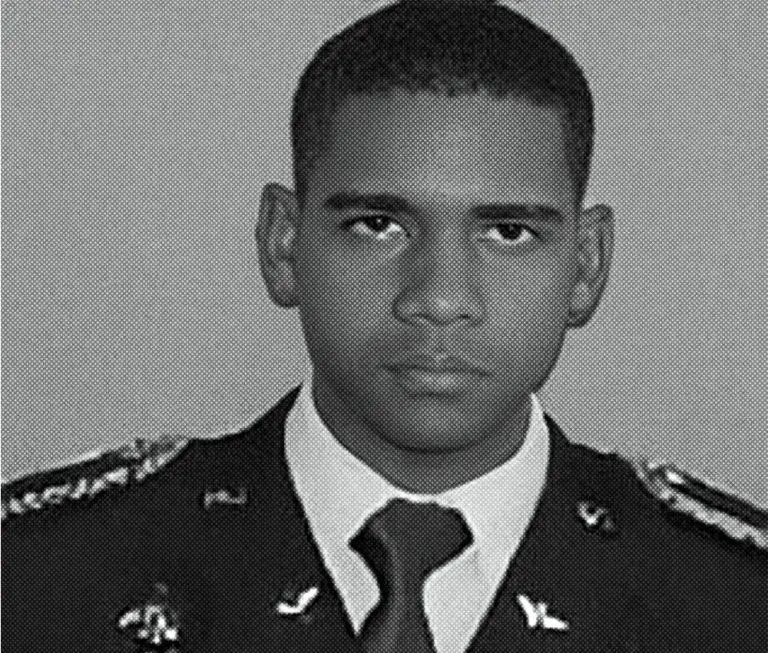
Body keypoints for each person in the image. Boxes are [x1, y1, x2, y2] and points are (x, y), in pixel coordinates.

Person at [3, 1, 766, 652]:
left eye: (508, 232)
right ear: (284, 246)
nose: (440, 298)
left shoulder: (733, 604)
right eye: (378, 224)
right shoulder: (42, 582)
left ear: (587, 264)